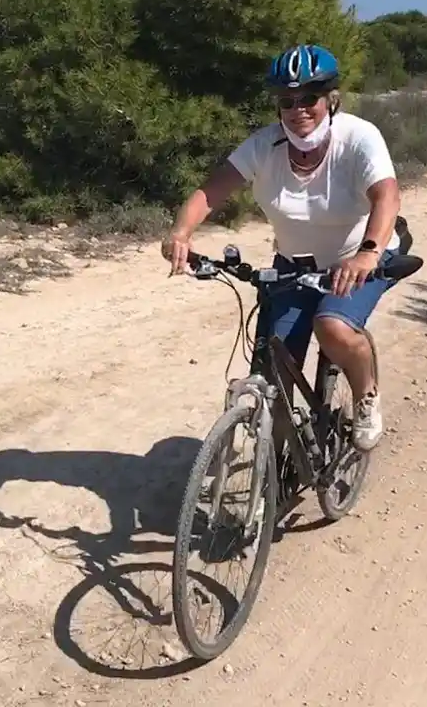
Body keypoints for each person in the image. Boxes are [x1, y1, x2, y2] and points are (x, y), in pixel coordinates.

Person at [160, 43, 402, 451]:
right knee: (274, 368)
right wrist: (181, 232)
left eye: (310, 97)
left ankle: (366, 397)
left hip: (356, 259)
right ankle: (275, 472)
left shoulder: (359, 138)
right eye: (288, 100)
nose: (299, 109)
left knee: (333, 327)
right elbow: (212, 190)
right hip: (294, 265)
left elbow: (387, 197)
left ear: (331, 99)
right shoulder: (264, 146)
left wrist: (368, 252)